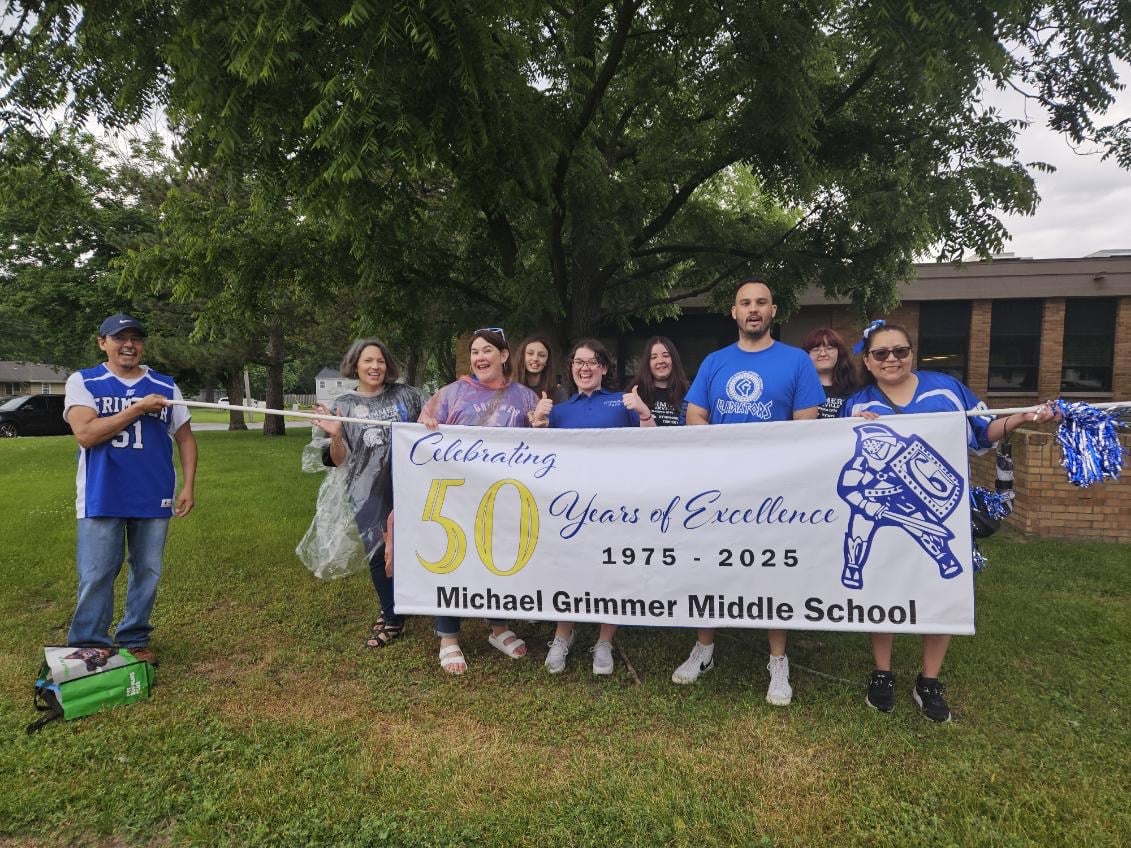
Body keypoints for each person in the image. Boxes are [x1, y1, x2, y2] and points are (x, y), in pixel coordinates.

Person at [841, 319, 1058, 722]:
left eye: (900, 351)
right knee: (881, 580)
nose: (892, 359)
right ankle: (882, 672)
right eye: (881, 353)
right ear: (868, 362)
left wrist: (1022, 417)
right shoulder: (858, 404)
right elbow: (845, 465)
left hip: (934, 503)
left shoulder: (945, 389)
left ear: (912, 354)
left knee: (943, 584)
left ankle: (929, 681)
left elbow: (983, 432)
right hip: (880, 501)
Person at [672, 279, 825, 705]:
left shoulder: (796, 362)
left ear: (774, 311)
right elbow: (695, 415)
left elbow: (805, 425)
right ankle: (704, 649)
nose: (753, 309)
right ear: (734, 313)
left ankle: (778, 661)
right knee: (711, 565)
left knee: (773, 569)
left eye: (760, 303)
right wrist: (727, 455)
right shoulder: (715, 362)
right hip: (720, 488)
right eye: (745, 303)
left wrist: (761, 463)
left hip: (774, 490)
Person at [62, 314, 198, 665]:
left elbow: (184, 437)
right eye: (119, 338)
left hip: (153, 492)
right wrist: (137, 408)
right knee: (97, 572)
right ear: (102, 343)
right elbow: (86, 434)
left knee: (147, 570)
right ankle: (90, 641)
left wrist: (189, 484)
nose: (129, 345)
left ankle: (134, 637)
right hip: (101, 492)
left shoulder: (165, 386)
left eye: (136, 338)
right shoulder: (85, 381)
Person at [531, 339, 656, 675]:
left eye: (592, 362)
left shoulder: (622, 400)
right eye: (577, 362)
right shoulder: (559, 408)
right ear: (571, 368)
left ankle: (604, 641)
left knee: (610, 569)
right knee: (568, 568)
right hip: (570, 509)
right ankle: (563, 634)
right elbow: (541, 460)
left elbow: (654, 446)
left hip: (614, 506)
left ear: (604, 367)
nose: (584, 368)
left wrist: (643, 413)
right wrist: (538, 426)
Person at [418, 328, 538, 674]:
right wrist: (426, 423)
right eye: (475, 352)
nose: (480, 357)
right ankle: (449, 637)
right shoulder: (452, 394)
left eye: (488, 350)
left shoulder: (526, 398)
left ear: (504, 356)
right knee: (453, 560)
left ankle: (497, 627)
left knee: (498, 558)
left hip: (504, 497)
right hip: (458, 494)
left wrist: (541, 425)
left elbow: (540, 447)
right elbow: (423, 432)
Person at [311, 339, 423, 648]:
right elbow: (336, 459)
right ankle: (393, 616)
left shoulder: (407, 396)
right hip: (366, 490)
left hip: (411, 484)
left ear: (388, 365)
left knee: (414, 546)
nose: (375, 366)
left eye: (380, 361)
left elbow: (432, 426)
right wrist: (335, 435)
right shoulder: (343, 406)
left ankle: (407, 602)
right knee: (378, 551)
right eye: (368, 361)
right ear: (355, 365)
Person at [628, 336, 690, 426]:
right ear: (647, 363)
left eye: (665, 355)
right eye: (653, 357)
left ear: (674, 360)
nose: (660, 361)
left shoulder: (689, 393)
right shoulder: (635, 394)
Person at [802, 327, 857, 419]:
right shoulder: (798, 388)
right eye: (816, 349)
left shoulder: (856, 389)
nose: (823, 354)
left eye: (829, 348)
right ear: (807, 355)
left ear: (839, 353)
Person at [515, 335, 567, 405]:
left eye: (541, 355)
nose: (535, 358)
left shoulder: (558, 392)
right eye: (530, 353)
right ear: (522, 356)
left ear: (547, 361)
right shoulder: (509, 389)